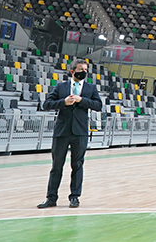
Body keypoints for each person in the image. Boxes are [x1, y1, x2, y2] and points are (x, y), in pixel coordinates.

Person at [37, 59, 102, 209]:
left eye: (86, 70)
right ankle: (51, 198)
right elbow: (46, 104)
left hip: (80, 132)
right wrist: (63, 102)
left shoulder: (91, 88)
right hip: (62, 132)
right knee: (56, 166)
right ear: (72, 71)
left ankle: (75, 197)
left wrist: (81, 100)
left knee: (77, 165)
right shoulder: (61, 87)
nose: (83, 72)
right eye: (80, 69)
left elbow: (98, 105)